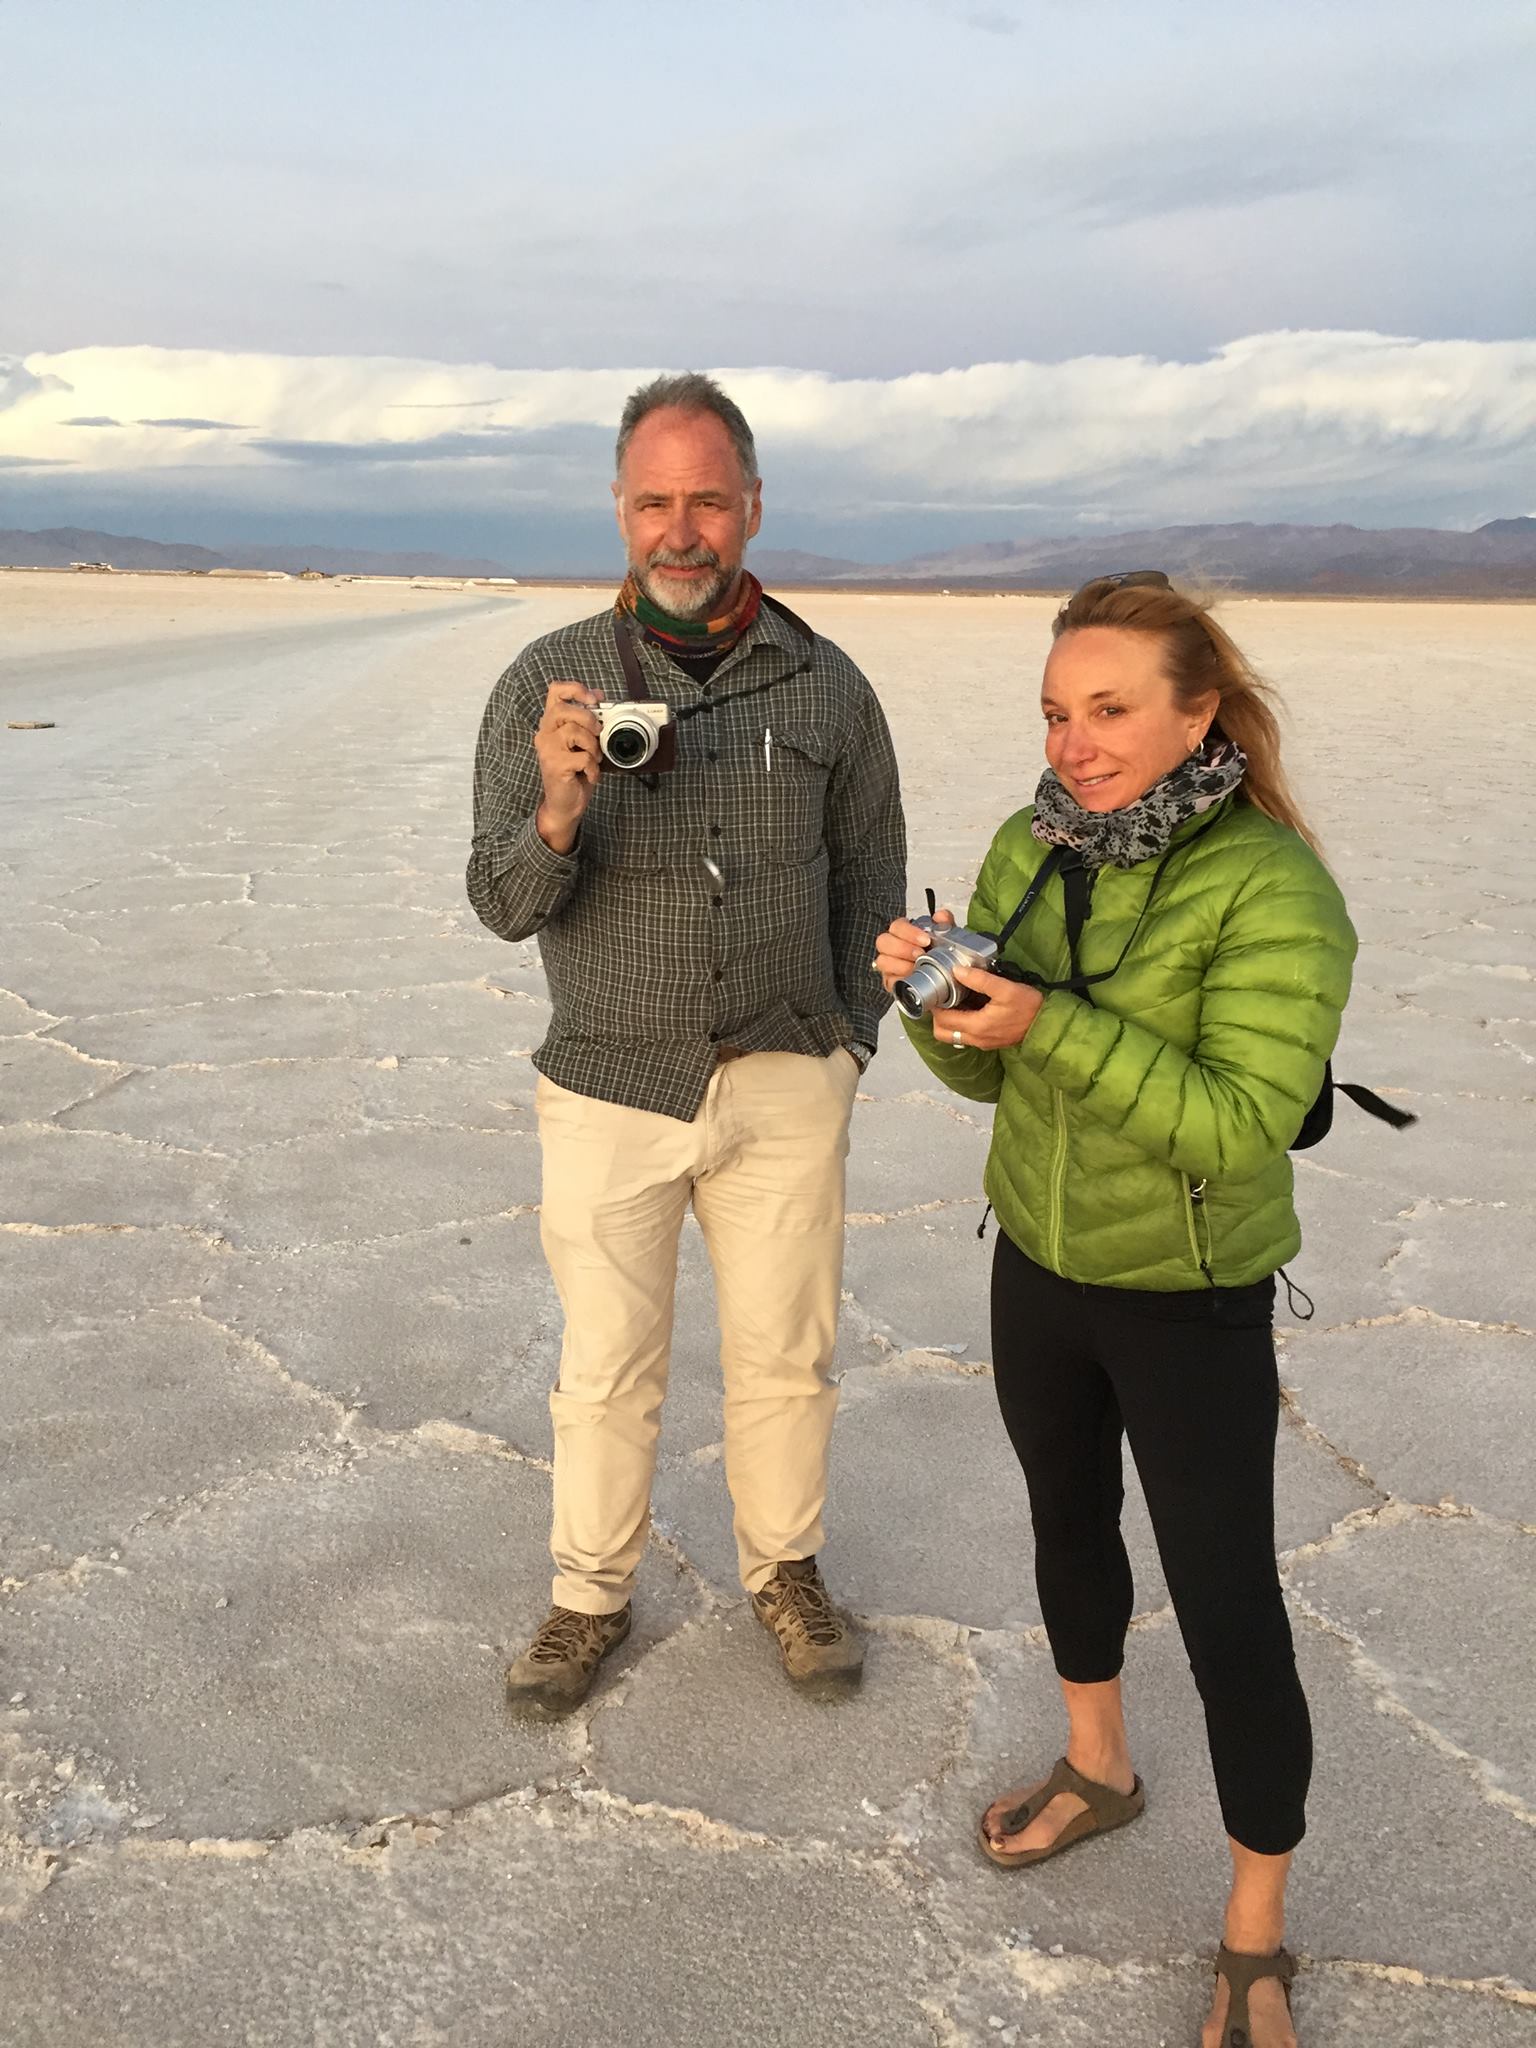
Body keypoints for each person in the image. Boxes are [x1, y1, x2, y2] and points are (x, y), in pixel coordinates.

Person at [875, 573, 1355, 2048]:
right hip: (1040, 1262)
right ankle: (1101, 1768)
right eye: (1054, 712)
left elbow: (1242, 1122)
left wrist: (1052, 1022)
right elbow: (992, 1075)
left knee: (1226, 1606)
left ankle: (1255, 1933)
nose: (1074, 744)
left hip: (1190, 1290)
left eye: (1110, 712)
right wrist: (939, 1002)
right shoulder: (1032, 844)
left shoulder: (1272, 887)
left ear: (1196, 711)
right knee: (1068, 1528)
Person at [468, 373, 905, 1715]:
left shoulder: (828, 686)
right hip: (608, 1082)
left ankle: (786, 1572)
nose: (681, 528)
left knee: (789, 1352)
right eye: (654, 500)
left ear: (753, 509)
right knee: (606, 1366)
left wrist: (842, 1045)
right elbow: (498, 903)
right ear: (618, 511)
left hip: (785, 1074)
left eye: (708, 499)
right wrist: (554, 806)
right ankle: (588, 1598)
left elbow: (872, 882)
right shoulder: (545, 684)